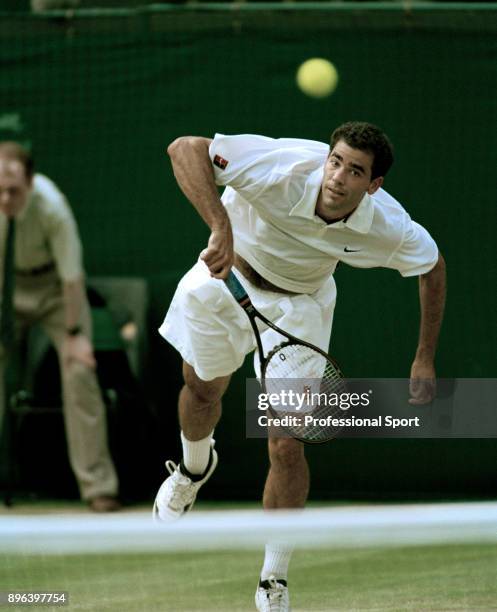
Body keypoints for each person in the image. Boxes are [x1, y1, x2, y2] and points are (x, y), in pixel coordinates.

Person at [154, 122, 446, 611]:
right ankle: (193, 468)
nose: (338, 178)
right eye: (336, 162)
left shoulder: (386, 225)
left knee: (288, 443)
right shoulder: (282, 166)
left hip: (299, 309)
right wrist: (220, 227)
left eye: (355, 171)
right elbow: (184, 148)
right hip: (225, 279)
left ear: (373, 186)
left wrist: (424, 357)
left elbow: (432, 268)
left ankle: (274, 579)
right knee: (201, 391)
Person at [0, 141, 120, 512]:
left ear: (31, 183)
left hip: (56, 292)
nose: (5, 198)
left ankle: (98, 487)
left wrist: (73, 337)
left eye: (13, 190)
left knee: (79, 373)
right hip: (9, 289)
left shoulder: (52, 207)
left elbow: (72, 279)